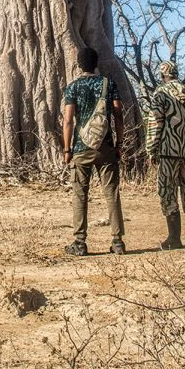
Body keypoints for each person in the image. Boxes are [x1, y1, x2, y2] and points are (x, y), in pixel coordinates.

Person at [62, 46, 126, 256]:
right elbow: (118, 115)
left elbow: (68, 121)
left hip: (82, 148)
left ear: (79, 65)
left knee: (80, 194)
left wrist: (67, 149)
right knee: (112, 193)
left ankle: (79, 242)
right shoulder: (108, 84)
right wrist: (119, 145)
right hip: (106, 146)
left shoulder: (73, 87)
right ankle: (117, 242)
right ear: (96, 63)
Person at [146, 60, 185, 249]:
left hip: (169, 150)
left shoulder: (160, 94)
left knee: (167, 190)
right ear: (177, 74)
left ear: (163, 76)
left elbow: (155, 123)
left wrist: (151, 148)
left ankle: (174, 237)